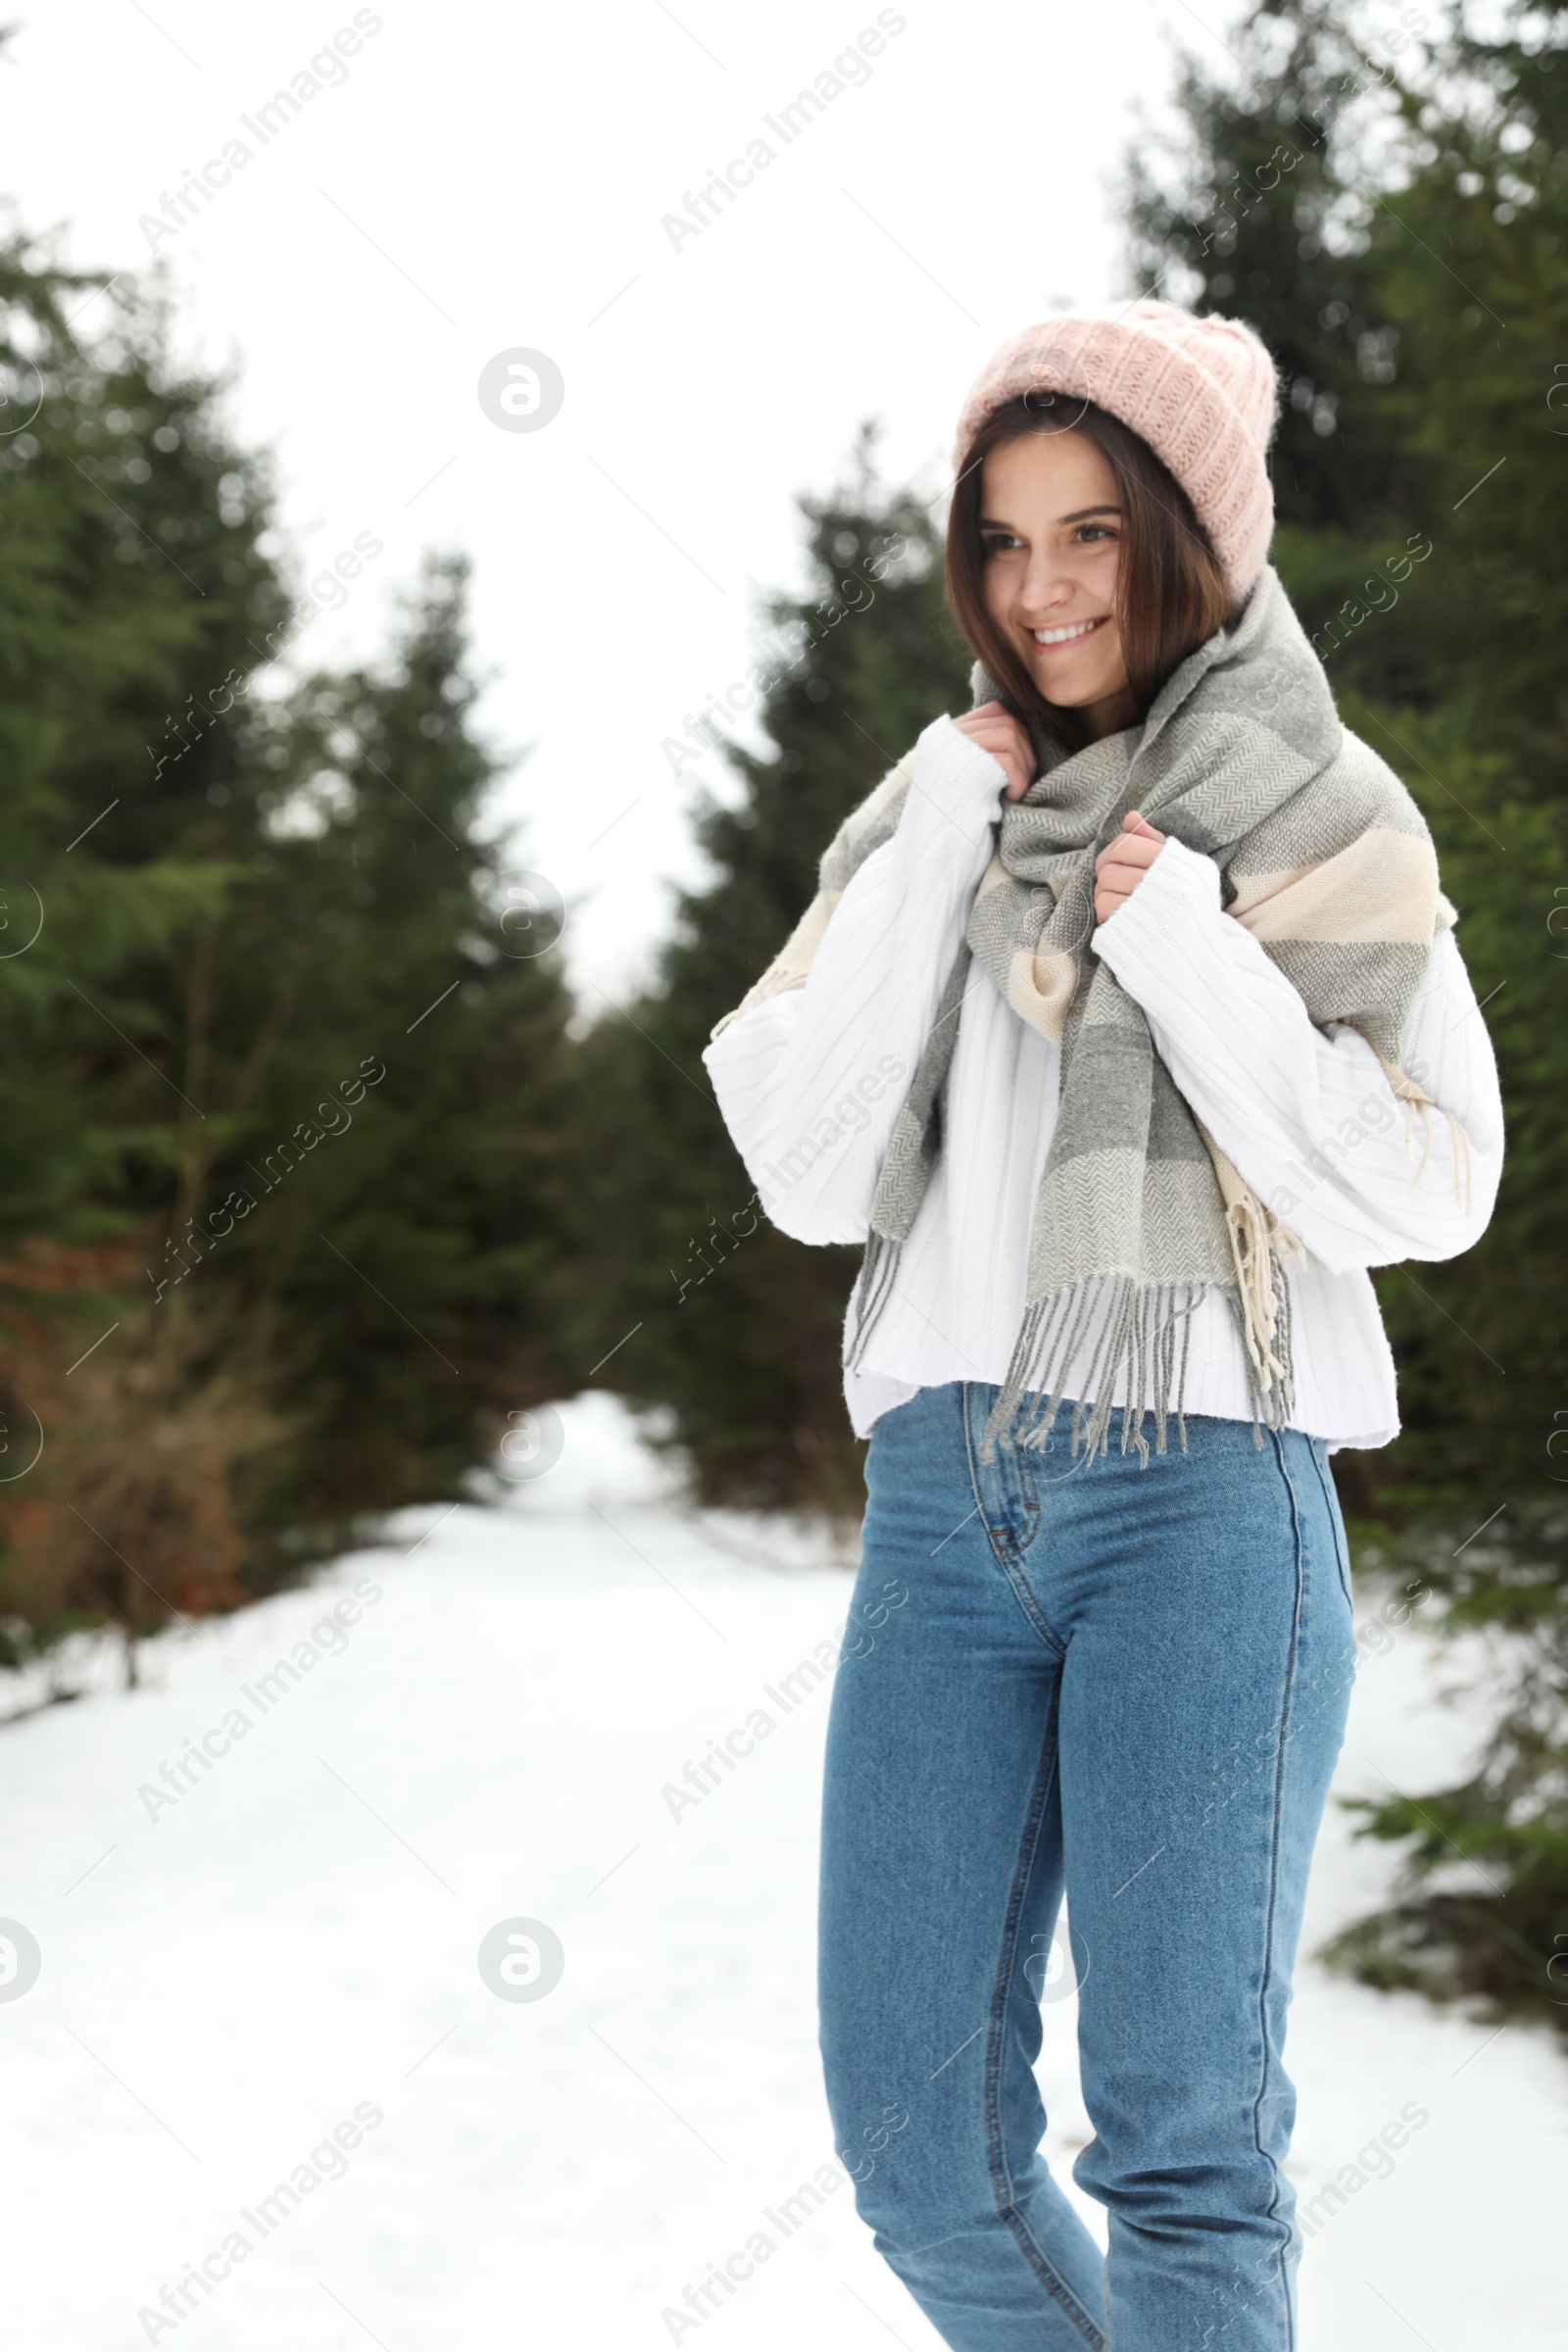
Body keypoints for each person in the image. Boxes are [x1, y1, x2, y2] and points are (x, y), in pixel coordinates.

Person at [702, 301, 1503, 2352]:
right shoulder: (925, 826)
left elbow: (1425, 1185)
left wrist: (1191, 950)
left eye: (1089, 535)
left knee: (1180, 2156)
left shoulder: (1314, 809)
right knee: (914, 2152)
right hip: (937, 1512)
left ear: (1189, 546)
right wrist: (933, 846)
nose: (1039, 589)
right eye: (999, 539)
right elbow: (801, 1169)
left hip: (1199, 1509)